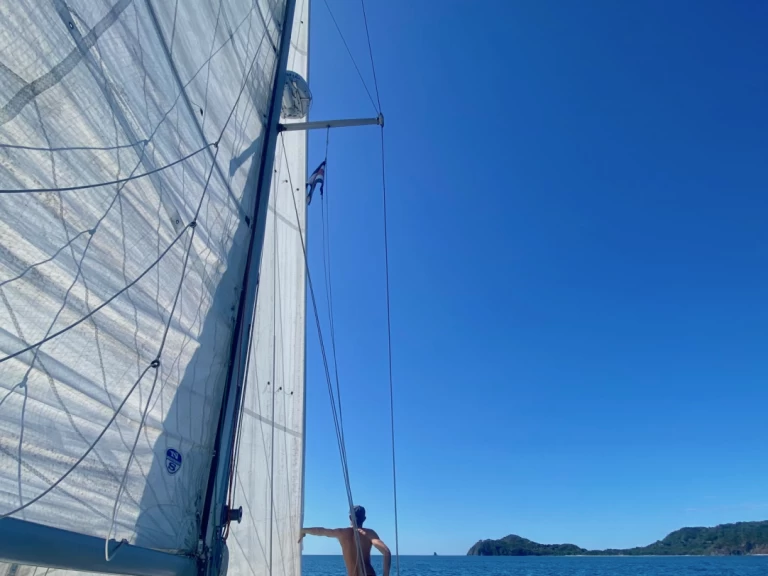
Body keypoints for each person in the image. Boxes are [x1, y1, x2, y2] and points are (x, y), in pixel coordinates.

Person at [299, 505, 391, 576]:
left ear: (350, 517)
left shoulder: (342, 533)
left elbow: (321, 531)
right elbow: (386, 552)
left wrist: (303, 530)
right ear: (364, 519)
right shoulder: (369, 534)